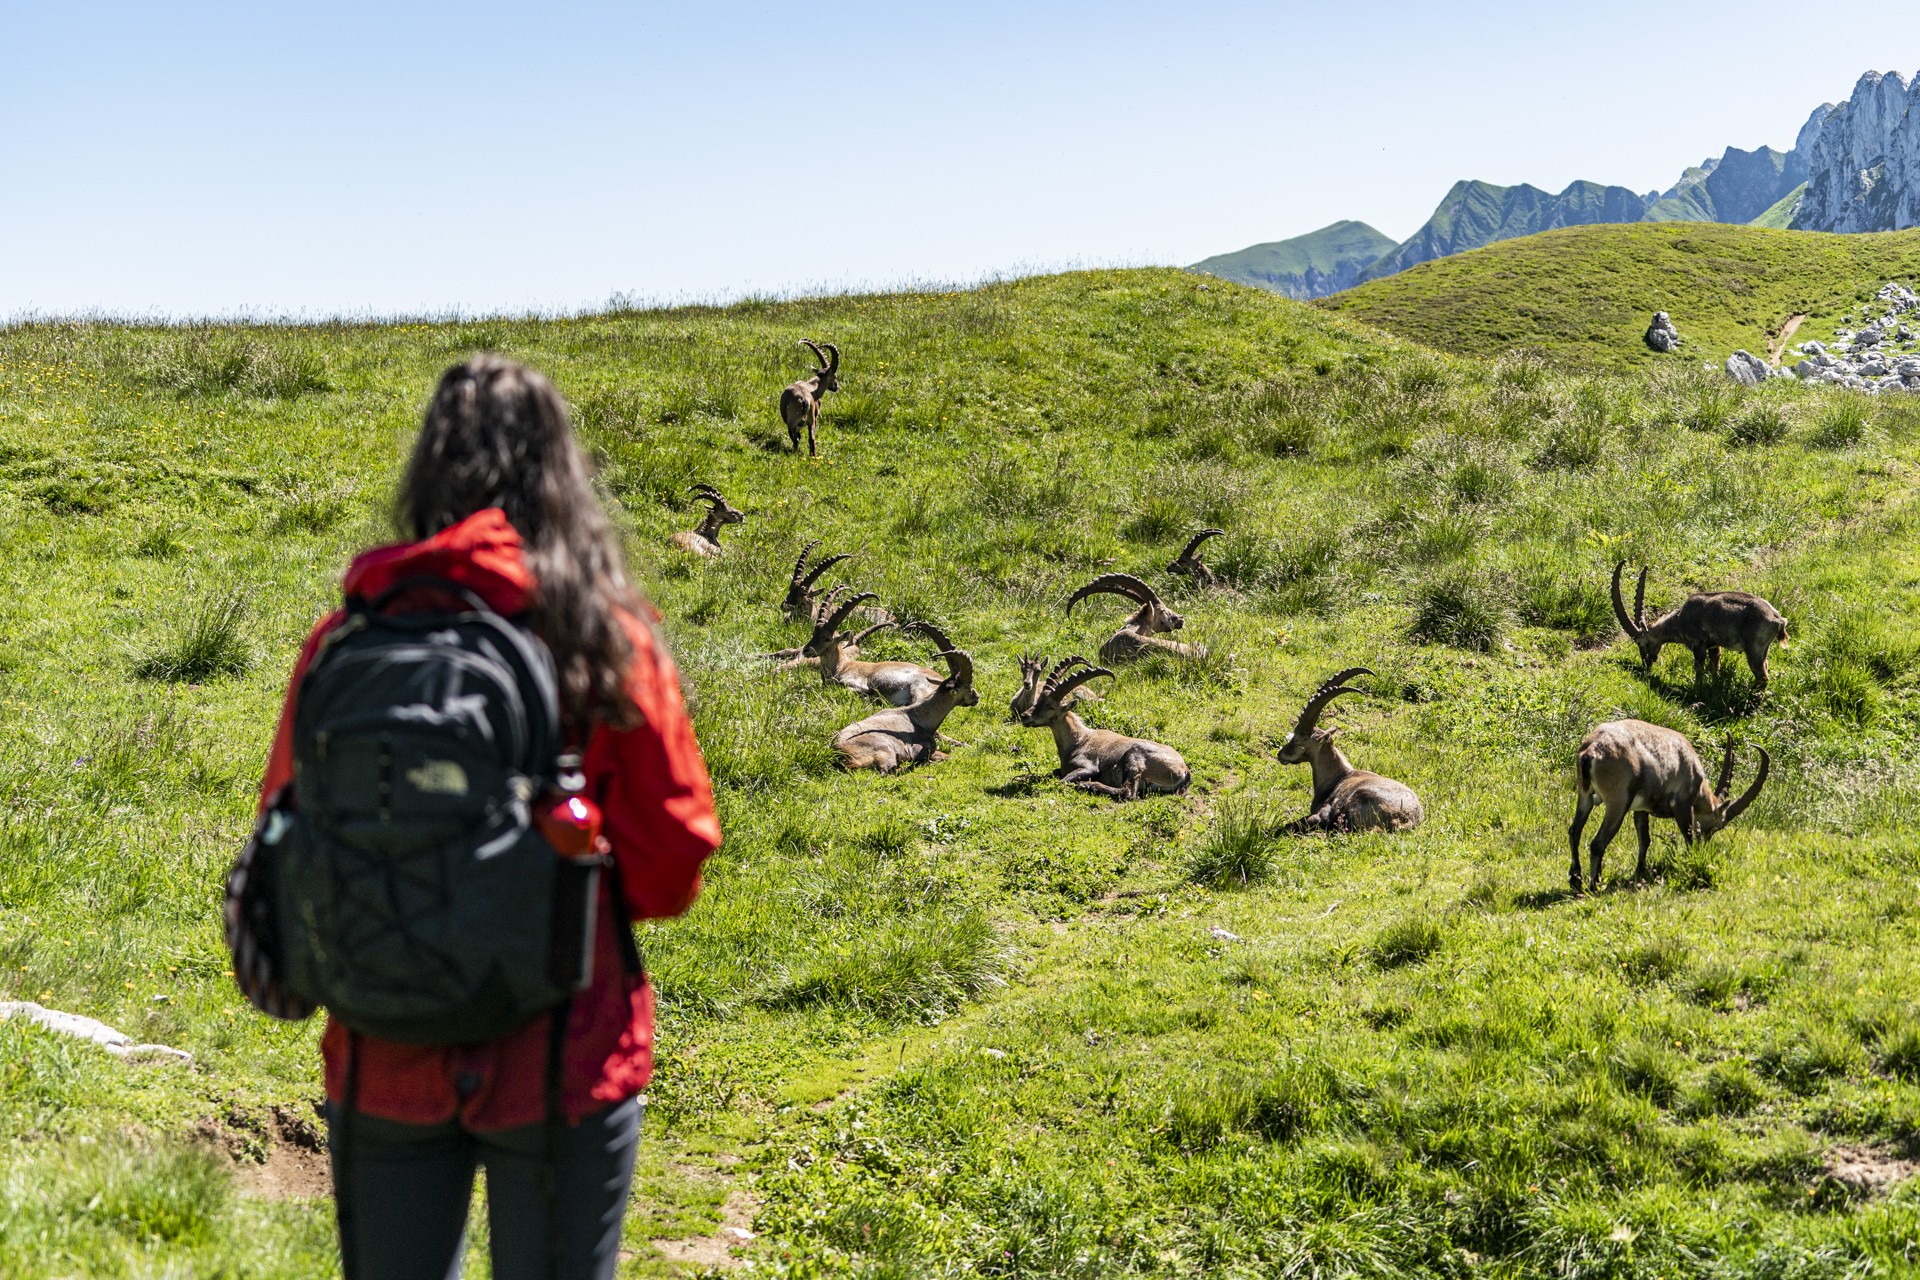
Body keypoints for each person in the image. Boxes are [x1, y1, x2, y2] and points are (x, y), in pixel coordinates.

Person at [251, 356, 721, 1279]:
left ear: (426, 473)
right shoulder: (605, 636)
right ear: (561, 477)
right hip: (563, 1059)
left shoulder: (347, 637)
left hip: (381, 1050)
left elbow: (286, 828)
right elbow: (671, 868)